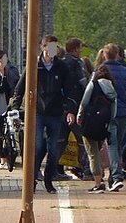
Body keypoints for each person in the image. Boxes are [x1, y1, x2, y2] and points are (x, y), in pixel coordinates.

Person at [13, 35, 78, 193]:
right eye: (50, 47)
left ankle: (49, 180)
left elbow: (70, 90)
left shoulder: (62, 67)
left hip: (55, 112)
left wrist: (70, 110)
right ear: (43, 48)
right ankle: (33, 178)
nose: (52, 50)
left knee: (54, 148)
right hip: (37, 112)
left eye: (55, 47)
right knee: (38, 145)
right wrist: (15, 106)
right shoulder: (34, 65)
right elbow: (20, 88)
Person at [101, 42, 126, 185]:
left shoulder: (100, 71)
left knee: (112, 144)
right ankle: (116, 174)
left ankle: (116, 175)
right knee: (117, 144)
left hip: (106, 114)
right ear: (118, 55)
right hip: (123, 114)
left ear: (105, 54)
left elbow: (91, 92)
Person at [77, 64, 118, 193]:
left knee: (92, 153)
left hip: (90, 122)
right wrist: (110, 122)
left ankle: (98, 183)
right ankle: (102, 178)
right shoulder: (112, 88)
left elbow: (84, 102)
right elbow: (114, 109)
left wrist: (79, 116)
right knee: (99, 150)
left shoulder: (93, 84)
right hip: (103, 124)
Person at [61, 38, 91, 180]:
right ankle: (86, 169)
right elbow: (83, 83)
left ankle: (55, 170)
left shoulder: (60, 62)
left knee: (60, 140)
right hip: (76, 105)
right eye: (80, 48)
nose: (81, 51)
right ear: (74, 49)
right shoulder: (77, 63)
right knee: (83, 139)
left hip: (61, 106)